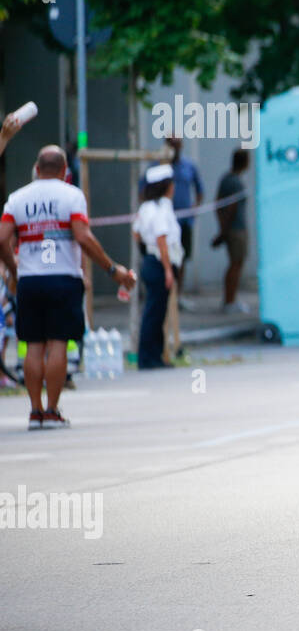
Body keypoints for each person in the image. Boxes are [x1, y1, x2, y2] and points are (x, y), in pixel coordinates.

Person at [0, 146, 136, 428]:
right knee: (58, 343)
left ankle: (35, 411)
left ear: (37, 169)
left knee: (33, 345)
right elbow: (83, 238)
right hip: (63, 278)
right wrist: (113, 270)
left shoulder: (17, 199)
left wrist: (15, 270)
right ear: (64, 172)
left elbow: (2, 240)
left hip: (30, 281)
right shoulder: (72, 196)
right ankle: (52, 410)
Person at [141, 136, 203, 309]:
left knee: (181, 257)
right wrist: (168, 271)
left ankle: (177, 295)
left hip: (183, 223)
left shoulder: (189, 165)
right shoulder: (160, 210)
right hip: (161, 234)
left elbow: (200, 190)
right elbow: (160, 239)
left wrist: (193, 210)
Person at [133, 164, 184, 369]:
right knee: (155, 312)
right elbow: (161, 239)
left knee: (155, 311)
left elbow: (136, 234)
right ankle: (149, 358)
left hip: (151, 261)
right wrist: (167, 269)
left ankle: (152, 356)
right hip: (160, 263)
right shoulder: (162, 207)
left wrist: (147, 251)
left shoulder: (146, 207)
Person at [211, 149, 251, 314]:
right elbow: (231, 207)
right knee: (236, 264)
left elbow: (217, 204)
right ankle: (229, 300)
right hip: (236, 229)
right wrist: (224, 230)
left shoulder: (226, 179)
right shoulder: (235, 182)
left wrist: (222, 227)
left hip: (232, 228)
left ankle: (230, 299)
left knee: (235, 263)